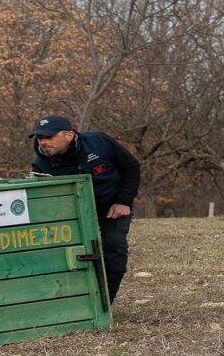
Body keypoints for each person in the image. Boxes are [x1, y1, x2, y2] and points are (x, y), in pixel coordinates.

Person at [29, 115, 141, 303]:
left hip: (112, 205)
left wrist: (123, 201)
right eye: (40, 138)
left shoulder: (99, 142)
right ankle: (76, 303)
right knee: (71, 255)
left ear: (69, 135)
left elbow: (131, 167)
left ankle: (104, 304)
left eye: (49, 137)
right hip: (74, 214)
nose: (43, 142)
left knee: (114, 248)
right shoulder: (41, 165)